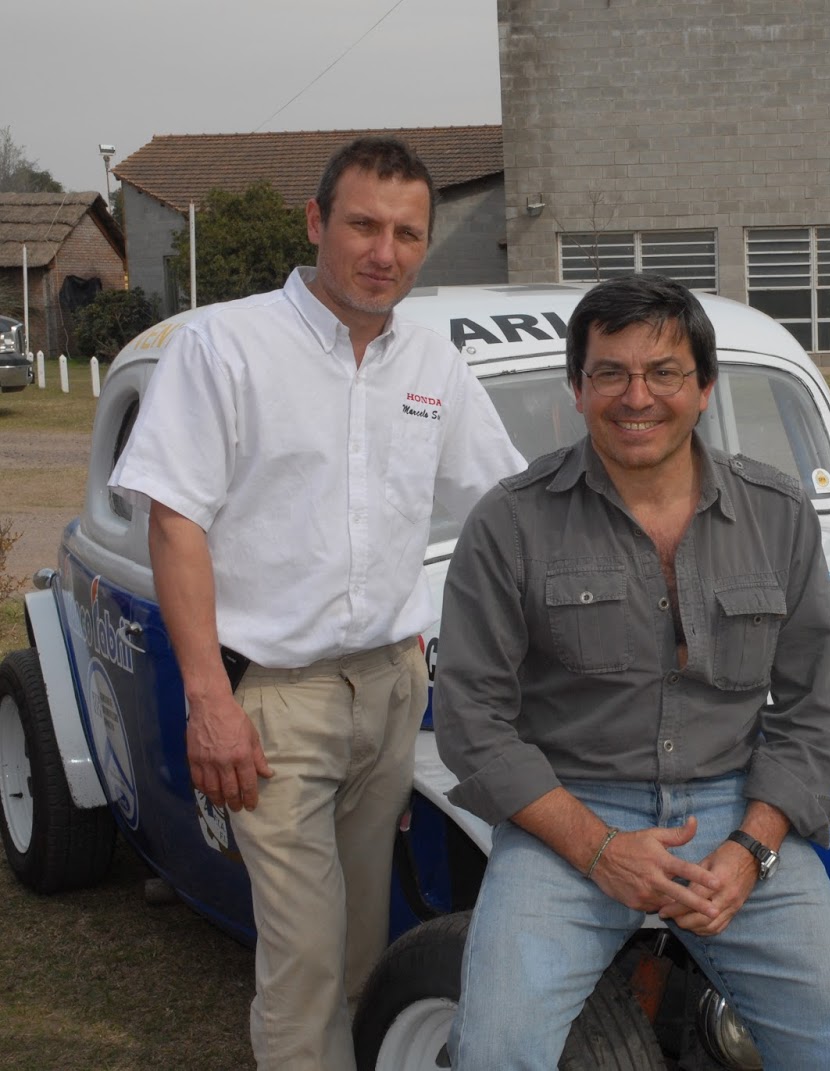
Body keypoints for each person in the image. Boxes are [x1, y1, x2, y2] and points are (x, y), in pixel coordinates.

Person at [108, 136, 526, 1070]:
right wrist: (209, 700)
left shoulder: (432, 362)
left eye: (408, 233)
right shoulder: (226, 345)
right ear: (316, 222)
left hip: (388, 686)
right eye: (364, 225)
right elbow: (174, 526)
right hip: (273, 700)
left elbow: (509, 502)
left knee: (355, 940)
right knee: (300, 958)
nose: (385, 252)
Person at [433, 274, 830, 1069]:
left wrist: (752, 848)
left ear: (704, 387)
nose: (636, 396)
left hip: (734, 806)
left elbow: (812, 708)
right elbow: (474, 722)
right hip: (567, 813)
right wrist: (600, 848)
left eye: (664, 372)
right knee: (495, 1050)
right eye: (610, 372)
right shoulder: (509, 523)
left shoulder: (777, 514)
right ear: (577, 388)